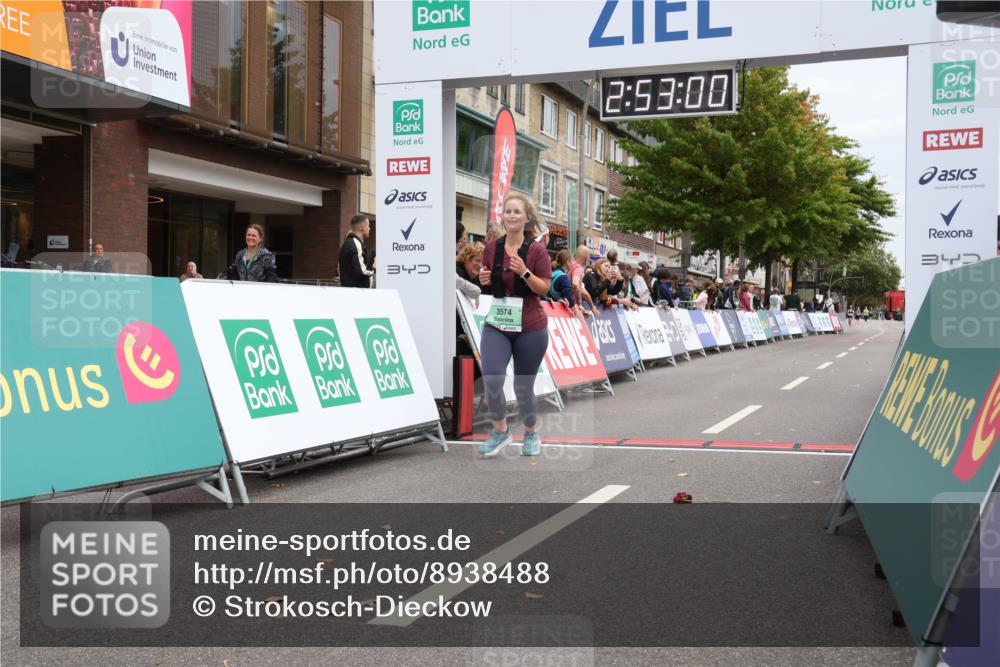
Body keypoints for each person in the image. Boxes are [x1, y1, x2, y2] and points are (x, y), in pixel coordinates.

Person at [477, 194, 553, 458]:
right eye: (507, 211)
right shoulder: (492, 248)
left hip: (530, 326)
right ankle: (501, 431)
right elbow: (489, 283)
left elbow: (544, 287)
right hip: (498, 323)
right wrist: (483, 278)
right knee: (492, 378)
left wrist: (525, 272)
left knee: (523, 386)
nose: (511, 215)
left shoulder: (536, 251)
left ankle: (531, 433)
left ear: (526, 218)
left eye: (517, 212)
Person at [338, 215, 374, 288]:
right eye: (368, 226)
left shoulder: (352, 243)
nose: (369, 228)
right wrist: (374, 268)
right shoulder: (355, 244)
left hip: (353, 291)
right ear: (362, 227)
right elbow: (362, 273)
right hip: (357, 293)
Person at [456, 242, 484, 307]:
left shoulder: (478, 279)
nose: (480, 265)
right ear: (466, 259)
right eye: (477, 260)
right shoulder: (456, 272)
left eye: (483, 262)